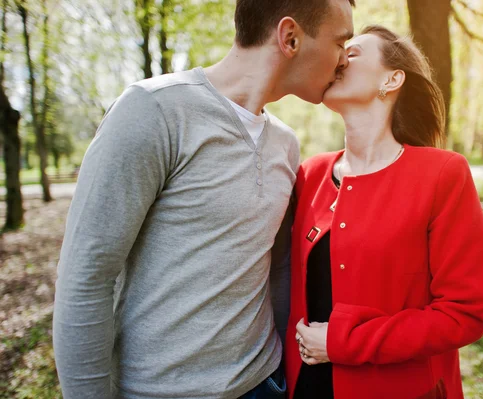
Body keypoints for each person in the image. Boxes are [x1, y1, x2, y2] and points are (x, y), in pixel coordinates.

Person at [52, 1, 355, 398]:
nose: (345, 59)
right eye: (341, 42)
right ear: (290, 38)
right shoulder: (153, 110)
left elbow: (278, 267)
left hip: (263, 383)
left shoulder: (285, 144)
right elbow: (86, 277)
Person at [286, 25, 483, 399]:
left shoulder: (443, 174)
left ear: (392, 79)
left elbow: (463, 314)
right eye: (340, 49)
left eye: (354, 53)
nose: (339, 58)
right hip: (306, 387)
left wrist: (344, 342)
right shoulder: (309, 173)